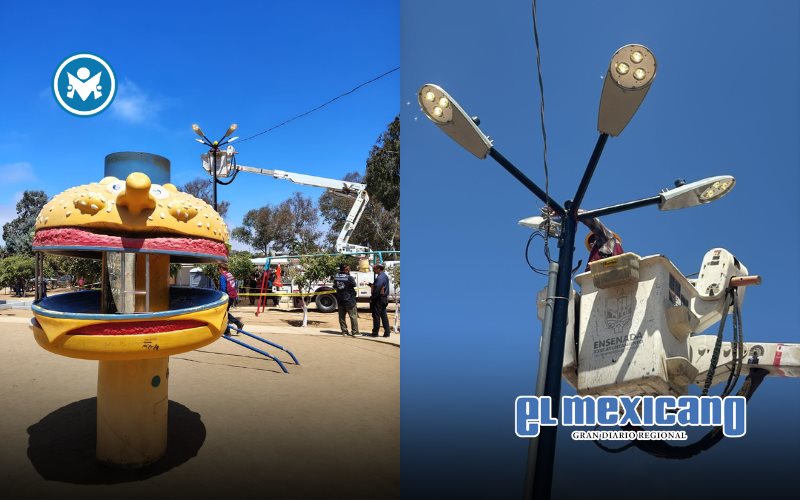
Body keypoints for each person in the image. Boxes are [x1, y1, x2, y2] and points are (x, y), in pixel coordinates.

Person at [218, 263, 244, 335]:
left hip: (227, 296)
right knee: (224, 312)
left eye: (218, 269)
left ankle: (233, 327)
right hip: (233, 296)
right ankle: (229, 330)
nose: (218, 271)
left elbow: (223, 288)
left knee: (224, 313)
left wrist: (221, 298)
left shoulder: (223, 276)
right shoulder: (230, 275)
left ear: (221, 269)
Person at [334, 264, 359, 337]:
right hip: (350, 301)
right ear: (345, 270)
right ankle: (355, 332)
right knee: (353, 316)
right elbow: (354, 285)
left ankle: (344, 331)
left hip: (340, 300)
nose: (349, 270)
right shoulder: (349, 278)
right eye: (348, 269)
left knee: (341, 317)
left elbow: (335, 286)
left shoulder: (336, 278)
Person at [369, 262, 391, 338]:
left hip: (379, 300)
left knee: (376, 316)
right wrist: (370, 285)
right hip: (384, 299)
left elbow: (377, 289)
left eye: (374, 269)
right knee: (384, 316)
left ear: (379, 269)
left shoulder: (380, 278)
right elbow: (379, 286)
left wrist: (372, 298)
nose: (374, 270)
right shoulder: (384, 276)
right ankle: (387, 332)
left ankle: (375, 333)